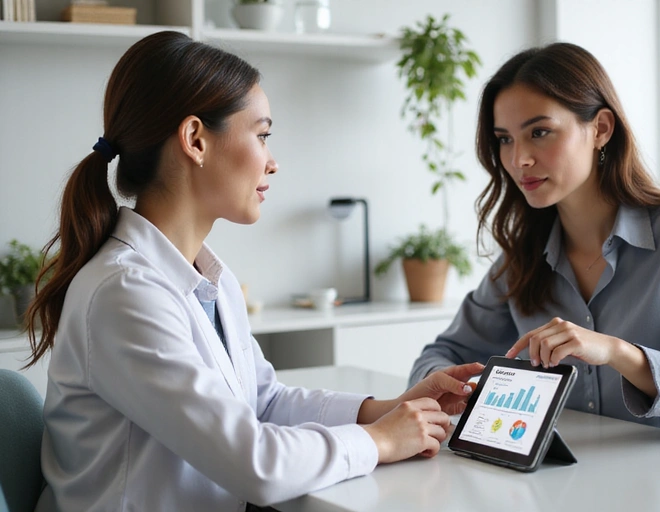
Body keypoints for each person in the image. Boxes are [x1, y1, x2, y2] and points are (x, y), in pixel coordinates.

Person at [25, 31, 484, 511]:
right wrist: (380, 442)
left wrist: (388, 411)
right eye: (262, 135)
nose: (273, 162)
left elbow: (262, 402)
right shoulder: (125, 293)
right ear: (196, 140)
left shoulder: (208, 279)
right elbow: (255, 464)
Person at [409, 42, 660, 441]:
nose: (519, 158)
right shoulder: (522, 256)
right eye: (505, 139)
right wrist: (463, 392)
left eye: (539, 132)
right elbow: (439, 358)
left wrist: (617, 353)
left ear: (601, 129)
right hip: (567, 484)